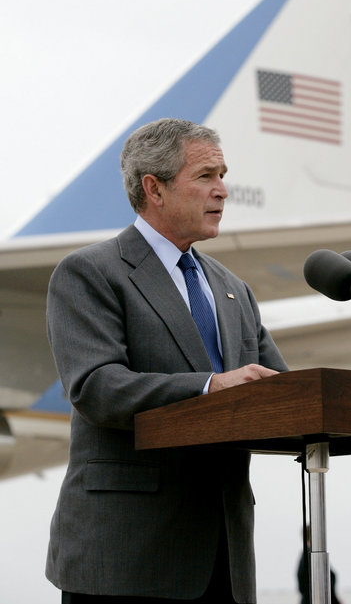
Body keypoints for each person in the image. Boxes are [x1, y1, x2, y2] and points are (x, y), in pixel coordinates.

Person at [45, 118, 288, 604]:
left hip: (223, 559)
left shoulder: (234, 290)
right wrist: (208, 388)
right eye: (205, 176)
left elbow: (278, 393)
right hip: (125, 557)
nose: (222, 190)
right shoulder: (90, 272)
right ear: (153, 188)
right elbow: (97, 387)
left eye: (223, 174)